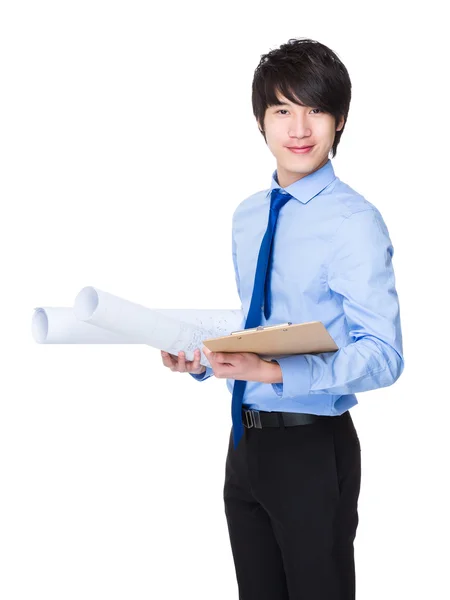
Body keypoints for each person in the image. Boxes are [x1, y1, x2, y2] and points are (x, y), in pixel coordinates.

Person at [161, 37, 404, 600]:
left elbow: (385, 355)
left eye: (315, 109)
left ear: (339, 120)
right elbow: (263, 324)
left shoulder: (354, 222)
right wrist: (201, 358)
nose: (299, 128)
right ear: (260, 122)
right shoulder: (248, 216)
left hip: (312, 447)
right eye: (282, 110)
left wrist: (279, 375)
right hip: (245, 447)